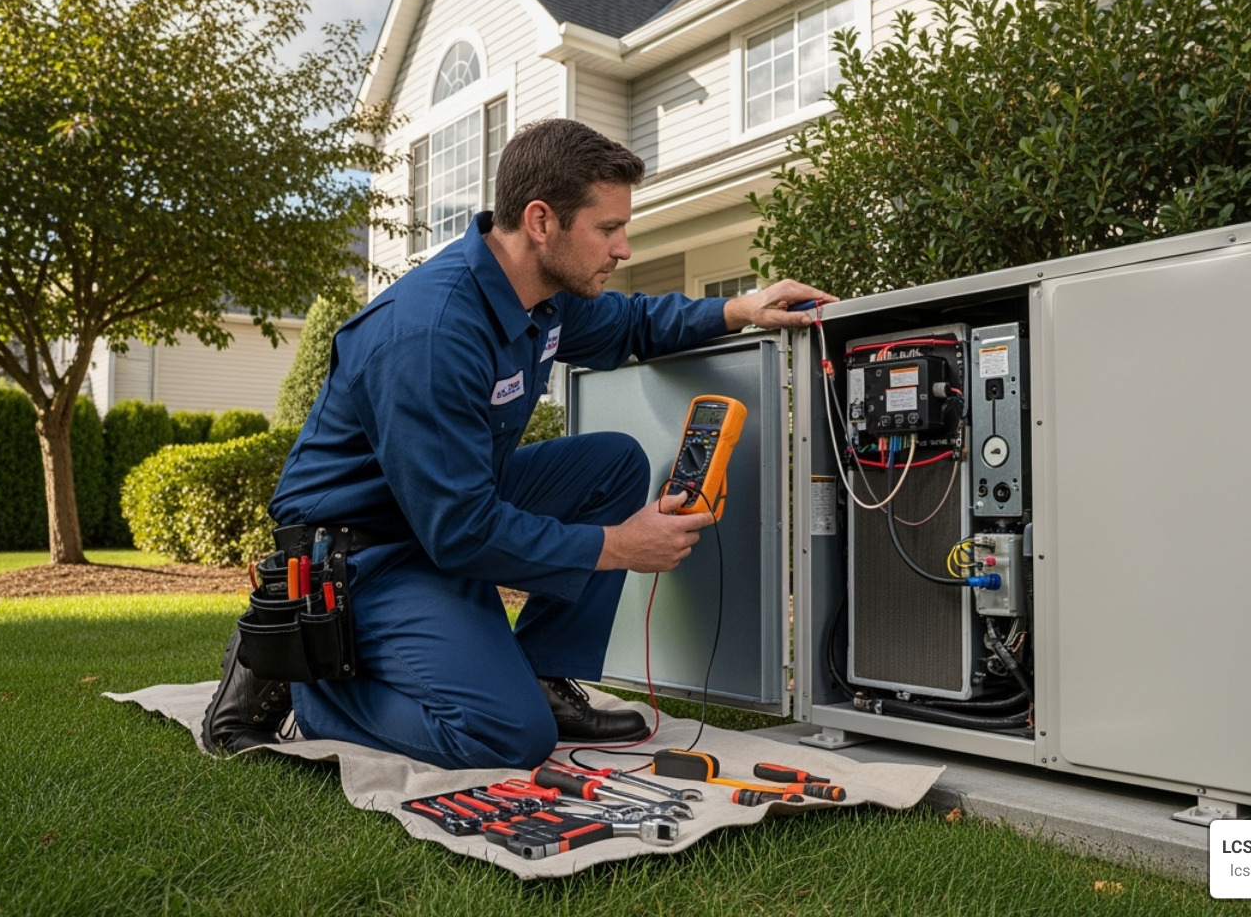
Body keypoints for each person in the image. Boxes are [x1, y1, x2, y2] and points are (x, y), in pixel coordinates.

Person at [202, 118, 834, 770]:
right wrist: (620, 547)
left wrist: (742, 307)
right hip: (365, 550)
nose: (622, 247)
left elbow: (634, 323)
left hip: (440, 512)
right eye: (608, 228)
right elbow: (463, 532)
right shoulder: (432, 335)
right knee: (506, 738)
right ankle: (318, 690)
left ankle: (538, 673)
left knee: (610, 464)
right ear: (541, 221)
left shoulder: (542, 299)